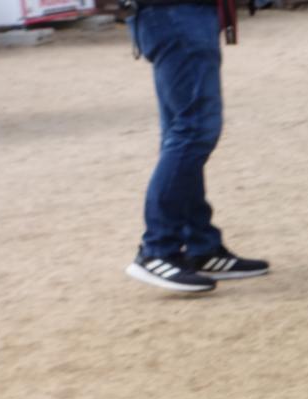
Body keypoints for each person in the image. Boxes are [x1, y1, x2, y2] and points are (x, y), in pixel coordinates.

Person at [125, 0, 269, 293]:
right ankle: (158, 248)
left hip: (175, 14)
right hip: (177, 13)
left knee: (182, 130)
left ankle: (200, 245)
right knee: (194, 129)